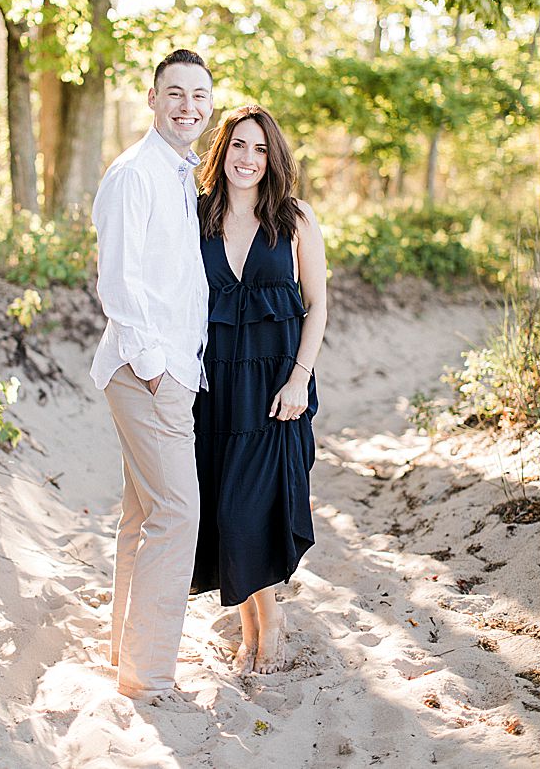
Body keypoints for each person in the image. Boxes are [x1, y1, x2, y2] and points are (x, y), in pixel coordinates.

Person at [91, 49, 213, 699]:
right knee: (177, 514)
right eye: (175, 93)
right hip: (146, 373)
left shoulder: (176, 173)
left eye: (198, 95)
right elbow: (118, 283)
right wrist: (158, 370)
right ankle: (150, 676)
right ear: (151, 97)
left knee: (143, 516)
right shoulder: (135, 173)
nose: (187, 105)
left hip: (169, 372)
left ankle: (125, 655)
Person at [189, 103, 327, 675]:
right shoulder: (195, 217)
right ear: (222, 152)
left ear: (274, 158)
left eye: (261, 148)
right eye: (239, 146)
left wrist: (299, 377)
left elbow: (317, 306)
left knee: (251, 510)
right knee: (225, 509)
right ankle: (251, 625)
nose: (249, 159)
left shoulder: (294, 218)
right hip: (214, 383)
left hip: (277, 387)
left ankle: (269, 623)